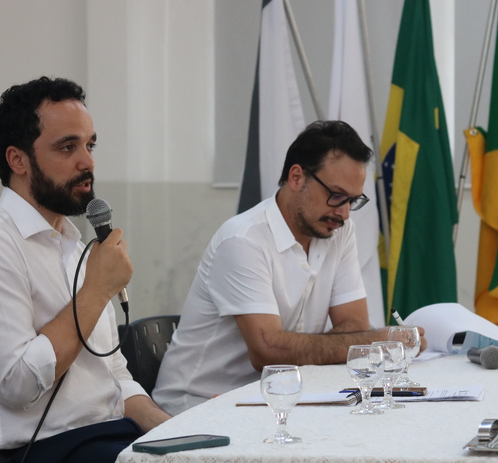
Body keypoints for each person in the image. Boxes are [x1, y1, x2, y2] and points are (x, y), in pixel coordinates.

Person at [0, 76, 170, 463]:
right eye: (67, 147)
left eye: (90, 146)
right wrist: (96, 290)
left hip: (101, 442)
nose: (87, 162)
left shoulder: (74, 245)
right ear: (18, 160)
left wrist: (169, 428)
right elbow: (18, 384)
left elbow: (112, 372)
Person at [153, 120, 427, 415]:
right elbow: (268, 352)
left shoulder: (338, 231)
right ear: (296, 177)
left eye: (353, 200)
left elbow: (354, 325)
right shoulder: (243, 240)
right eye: (336, 196)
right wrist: (375, 341)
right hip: (199, 406)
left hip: (279, 398)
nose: (345, 213)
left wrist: (355, 340)